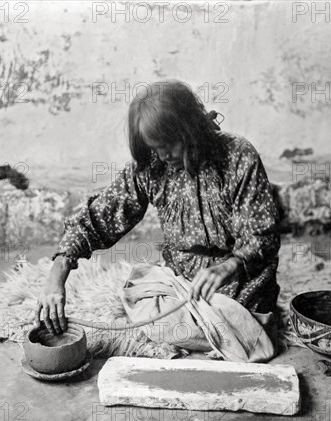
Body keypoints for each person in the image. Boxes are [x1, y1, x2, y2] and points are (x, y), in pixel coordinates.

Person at [36, 80, 281, 354]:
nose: (164, 155)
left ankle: (230, 327)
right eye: (155, 148)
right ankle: (210, 329)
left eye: (169, 145)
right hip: (181, 280)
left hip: (239, 284)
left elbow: (263, 235)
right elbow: (100, 216)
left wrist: (230, 266)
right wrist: (58, 272)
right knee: (140, 297)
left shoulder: (237, 156)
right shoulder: (153, 166)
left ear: (190, 129)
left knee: (242, 321)